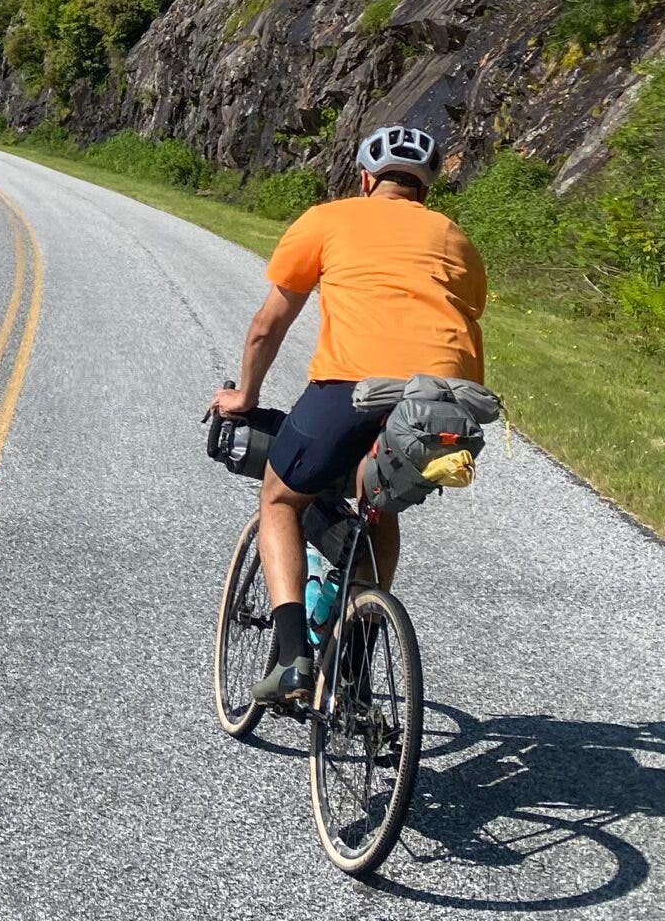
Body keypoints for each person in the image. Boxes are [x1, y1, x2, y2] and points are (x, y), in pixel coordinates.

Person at [208, 122, 487, 706]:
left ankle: (293, 660)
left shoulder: (328, 219)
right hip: (447, 406)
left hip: (355, 386)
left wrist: (246, 396)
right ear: (426, 189)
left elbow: (268, 323)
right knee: (379, 507)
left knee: (281, 499)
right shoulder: (454, 237)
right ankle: (355, 667)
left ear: (365, 178)